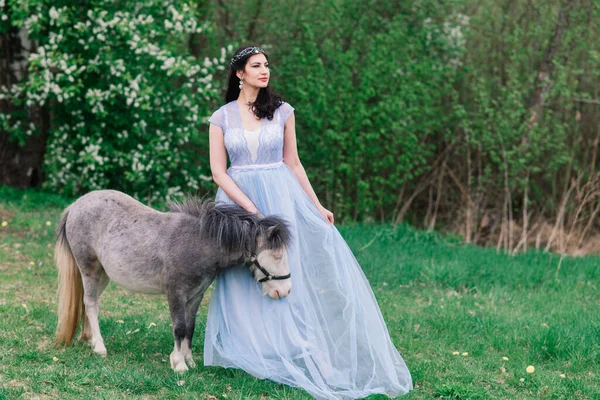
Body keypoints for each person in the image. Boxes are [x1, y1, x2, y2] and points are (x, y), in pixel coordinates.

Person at [204, 45, 412, 399]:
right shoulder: (221, 117)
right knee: (240, 273)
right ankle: (247, 345)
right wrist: (250, 208)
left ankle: (292, 341)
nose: (264, 71)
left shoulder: (282, 111)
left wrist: (317, 205)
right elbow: (218, 172)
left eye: (267, 65)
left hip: (280, 196)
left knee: (284, 267)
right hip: (238, 201)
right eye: (256, 66)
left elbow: (294, 163)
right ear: (239, 74)